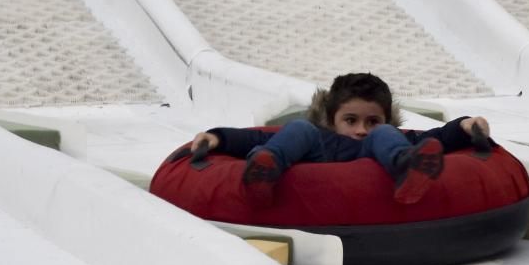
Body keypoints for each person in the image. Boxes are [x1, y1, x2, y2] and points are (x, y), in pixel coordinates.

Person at [190, 72, 491, 207]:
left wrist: (465, 125)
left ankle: (406, 169)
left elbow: (434, 138)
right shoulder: (320, 136)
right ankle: (265, 170)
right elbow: (253, 135)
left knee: (390, 139)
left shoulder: (386, 137)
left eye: (372, 121)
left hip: (381, 158)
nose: (361, 129)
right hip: (318, 160)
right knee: (297, 130)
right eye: (350, 120)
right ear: (333, 119)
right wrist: (216, 138)